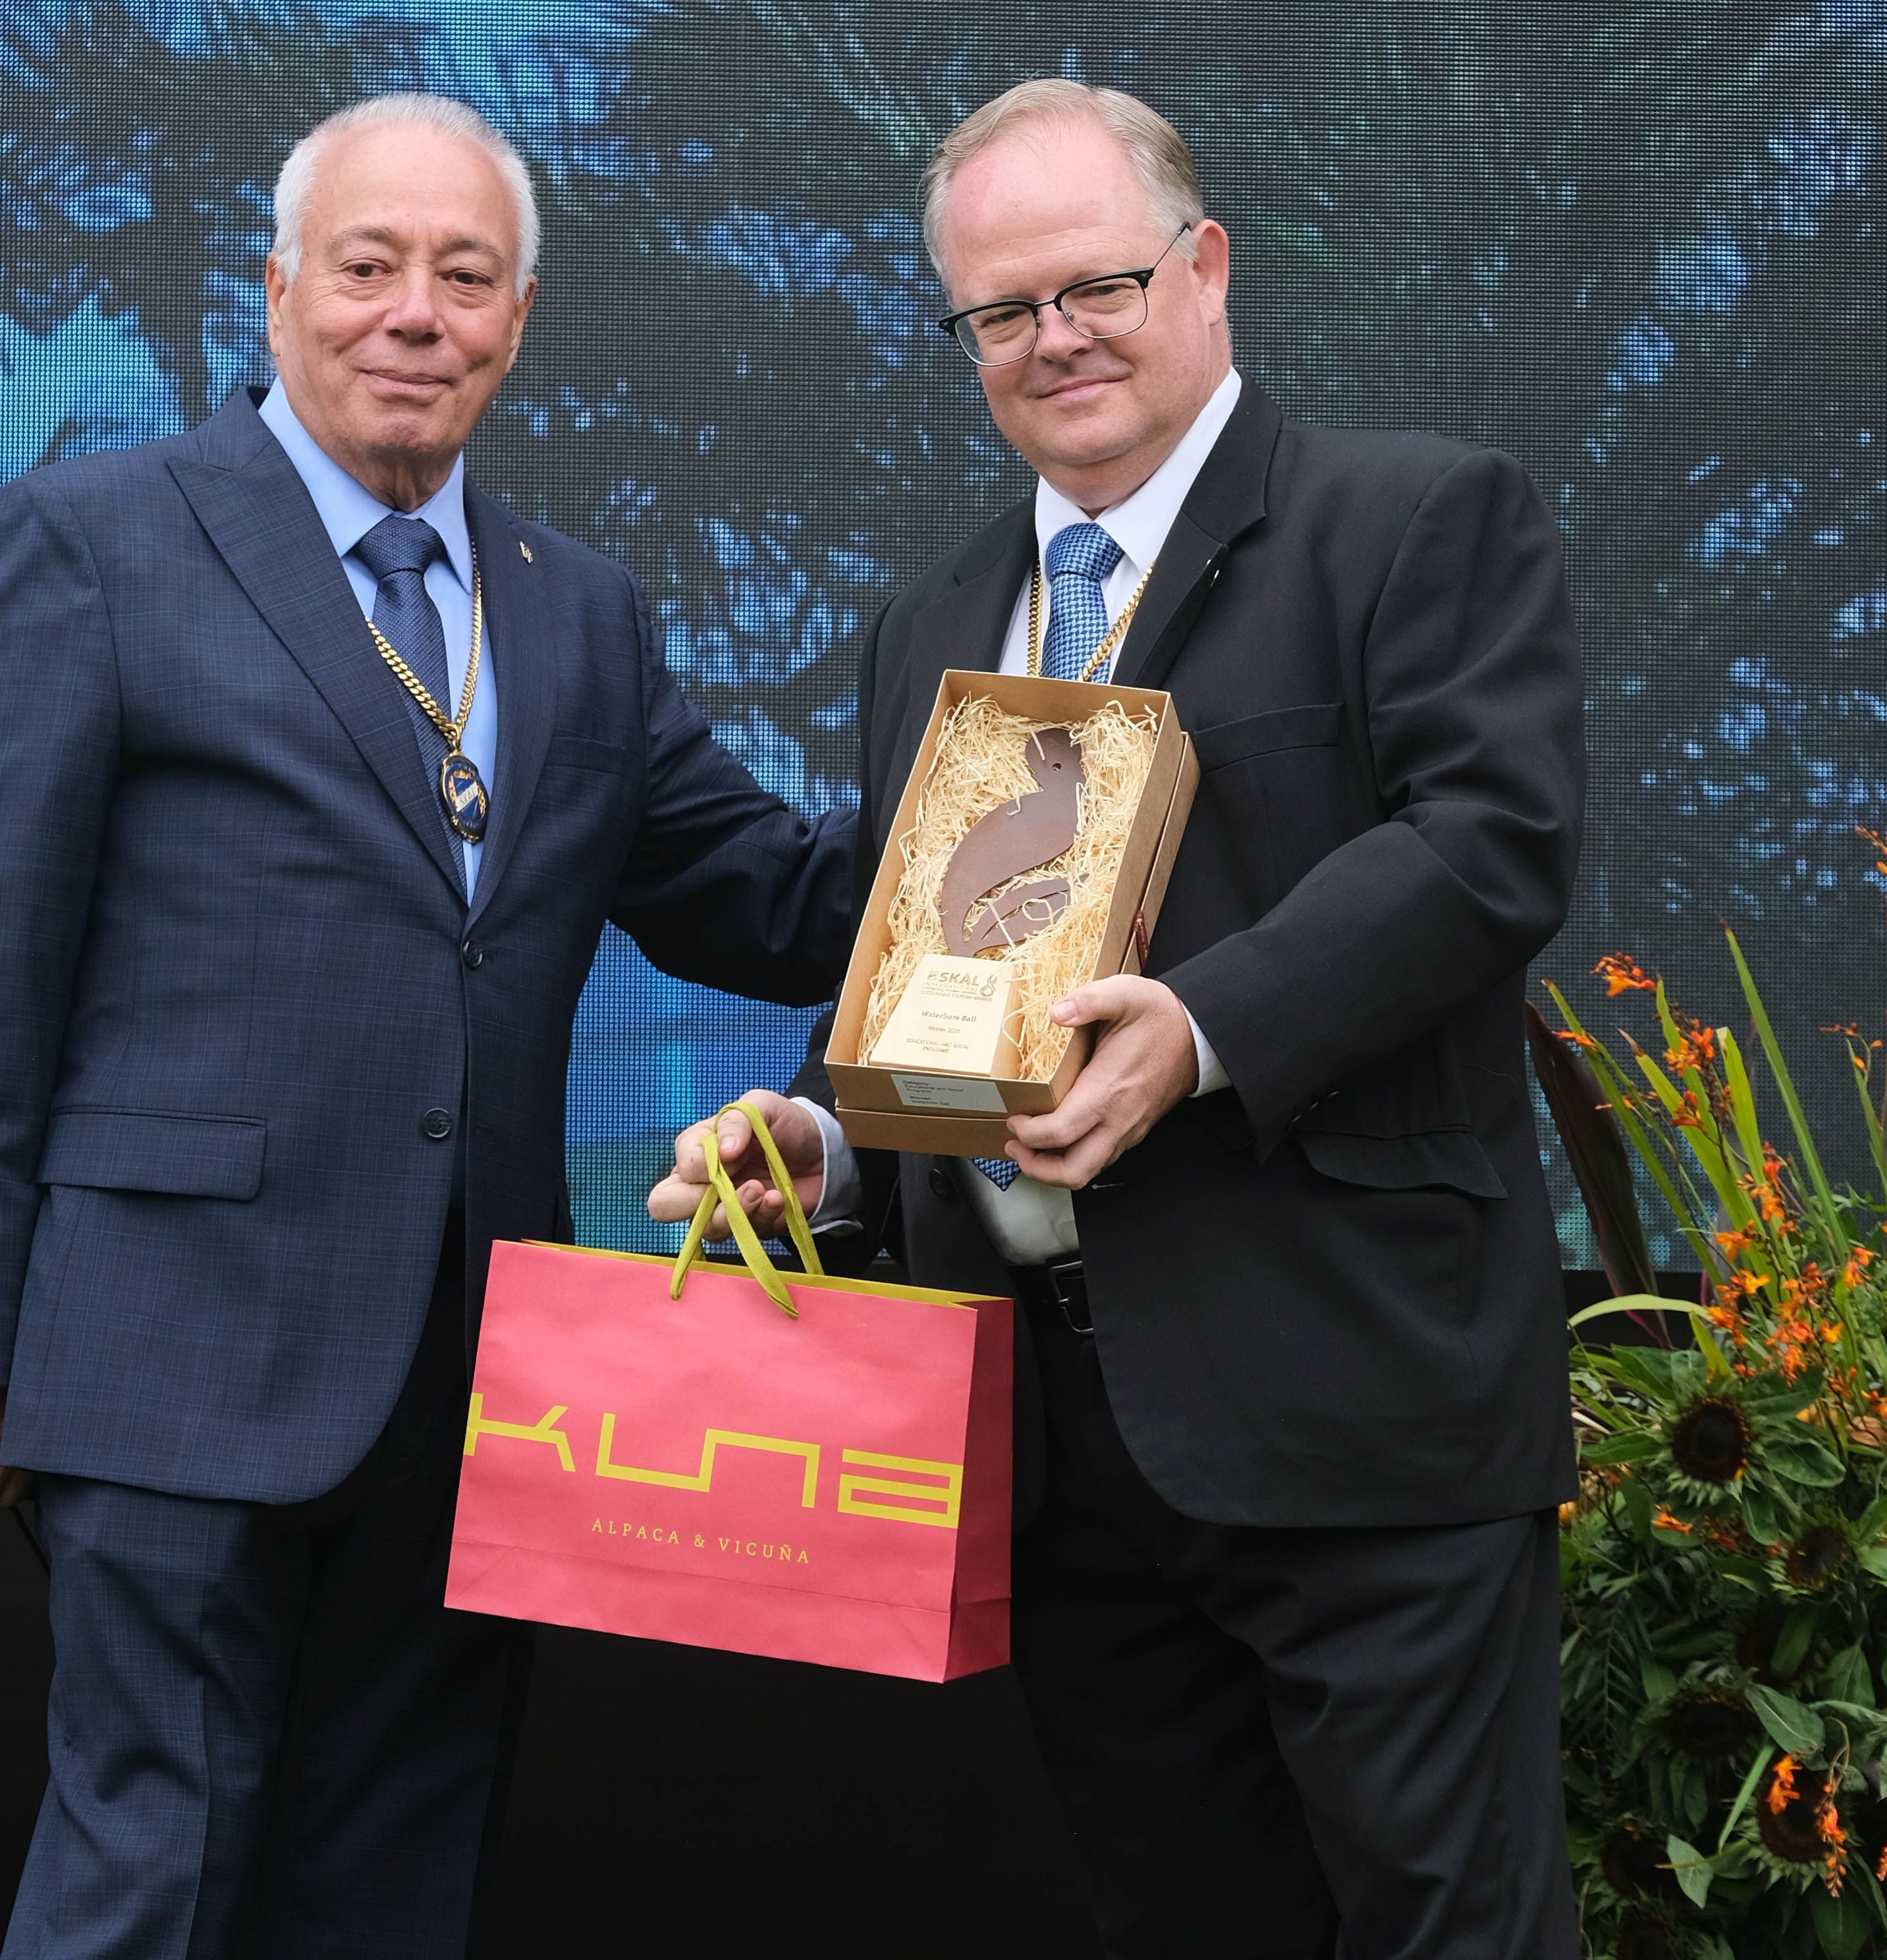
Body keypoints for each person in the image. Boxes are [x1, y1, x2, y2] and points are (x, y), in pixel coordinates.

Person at [0, 93, 852, 1959]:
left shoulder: (581, 612)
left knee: (396, 1897)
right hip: (166, 1361)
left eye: (465, 277)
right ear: (278, 292)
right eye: (370, 265)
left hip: (482, 1379)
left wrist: (1036, 816)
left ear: (518, 320)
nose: (416, 312)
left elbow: (771, 893)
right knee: (153, 1887)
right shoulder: (94, 540)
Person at [651, 79, 1585, 1959]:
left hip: (1357, 1408)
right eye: (1004, 310)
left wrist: (1204, 1027)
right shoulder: (928, 621)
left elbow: (1492, 845)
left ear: (1206, 267)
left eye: (1098, 286)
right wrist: (828, 1138)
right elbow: (934, 960)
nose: (1057, 337)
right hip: (1061, 1454)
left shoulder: (1411, 517)